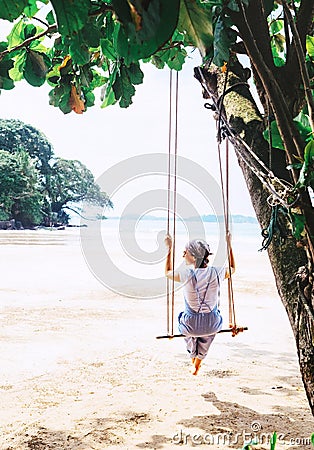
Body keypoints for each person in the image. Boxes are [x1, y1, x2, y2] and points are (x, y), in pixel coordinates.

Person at [164, 234, 235, 375]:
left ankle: (193, 357)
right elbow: (232, 268)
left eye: (186, 252)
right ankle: (198, 362)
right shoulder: (217, 272)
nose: (183, 254)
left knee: (184, 320)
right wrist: (229, 244)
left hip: (190, 325)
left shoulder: (185, 274)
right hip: (212, 324)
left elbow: (167, 272)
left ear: (194, 257)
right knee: (209, 329)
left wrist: (169, 248)